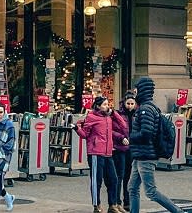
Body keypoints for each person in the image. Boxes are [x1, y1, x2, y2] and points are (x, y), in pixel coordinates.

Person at [128, 77, 185, 213]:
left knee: (150, 191)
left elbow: (146, 134)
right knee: (132, 188)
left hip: (146, 156)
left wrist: (130, 138)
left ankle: (178, 212)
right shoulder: (147, 107)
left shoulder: (145, 109)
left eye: (136, 89)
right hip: (140, 156)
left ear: (142, 90)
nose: (134, 92)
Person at [75, 96, 127, 213]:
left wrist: (113, 113)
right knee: (96, 181)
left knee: (113, 179)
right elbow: (85, 134)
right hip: (95, 153)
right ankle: (96, 205)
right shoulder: (91, 117)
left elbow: (123, 125)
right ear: (98, 106)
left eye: (108, 104)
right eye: (104, 104)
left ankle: (112, 204)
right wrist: (76, 129)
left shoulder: (108, 117)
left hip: (108, 152)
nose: (107, 106)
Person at [114, 91, 136, 211]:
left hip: (132, 149)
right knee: (120, 175)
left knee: (129, 176)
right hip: (120, 149)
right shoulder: (118, 115)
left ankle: (127, 201)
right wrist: (121, 138)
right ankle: (117, 201)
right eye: (128, 103)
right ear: (124, 103)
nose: (130, 106)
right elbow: (112, 131)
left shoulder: (137, 115)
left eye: (132, 103)